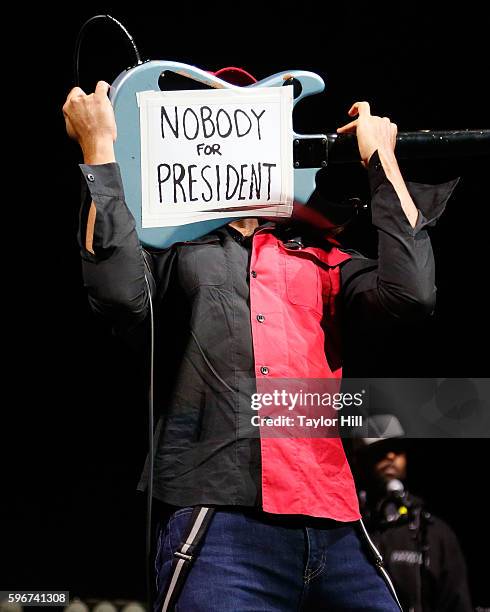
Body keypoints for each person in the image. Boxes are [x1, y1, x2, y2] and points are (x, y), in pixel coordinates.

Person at [62, 65, 458, 611]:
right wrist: (100, 149)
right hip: (221, 524)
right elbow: (116, 293)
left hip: (336, 521)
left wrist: (380, 159)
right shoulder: (176, 253)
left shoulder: (322, 255)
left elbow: (413, 293)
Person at [354, 414, 473, 612]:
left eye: (397, 450)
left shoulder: (434, 533)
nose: (391, 457)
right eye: (380, 451)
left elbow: (457, 603)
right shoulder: (348, 532)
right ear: (359, 461)